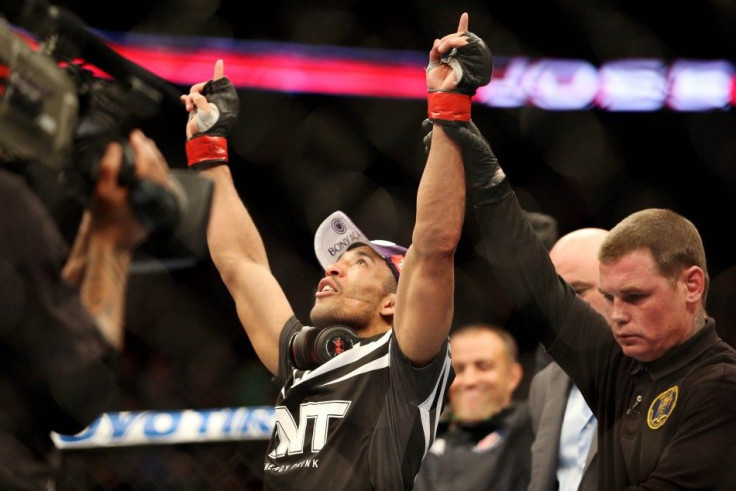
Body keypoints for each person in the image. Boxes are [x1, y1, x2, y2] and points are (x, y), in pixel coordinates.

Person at [180, 12, 492, 489]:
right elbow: (242, 266)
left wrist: (449, 106)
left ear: (394, 300)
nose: (335, 269)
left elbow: (434, 248)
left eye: (360, 261)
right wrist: (209, 149)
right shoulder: (305, 358)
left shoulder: (406, 363)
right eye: (335, 261)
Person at [440, 105, 736, 487]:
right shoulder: (620, 364)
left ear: (691, 286)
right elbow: (539, 288)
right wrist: (486, 175)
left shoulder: (719, 386)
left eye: (635, 296)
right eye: (610, 298)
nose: (617, 315)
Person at [0, 130, 173, 489]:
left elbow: (51, 314)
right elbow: (77, 392)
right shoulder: (6, 202)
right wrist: (113, 243)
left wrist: (98, 225)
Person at [528, 227, 608, 491]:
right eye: (553, 297)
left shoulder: (657, 376)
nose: (561, 310)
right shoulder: (544, 384)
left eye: (577, 292)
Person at [413, 323, 533, 491]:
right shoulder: (419, 440)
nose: (470, 381)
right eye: (459, 370)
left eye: (483, 366)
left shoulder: (535, 428)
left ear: (513, 376)